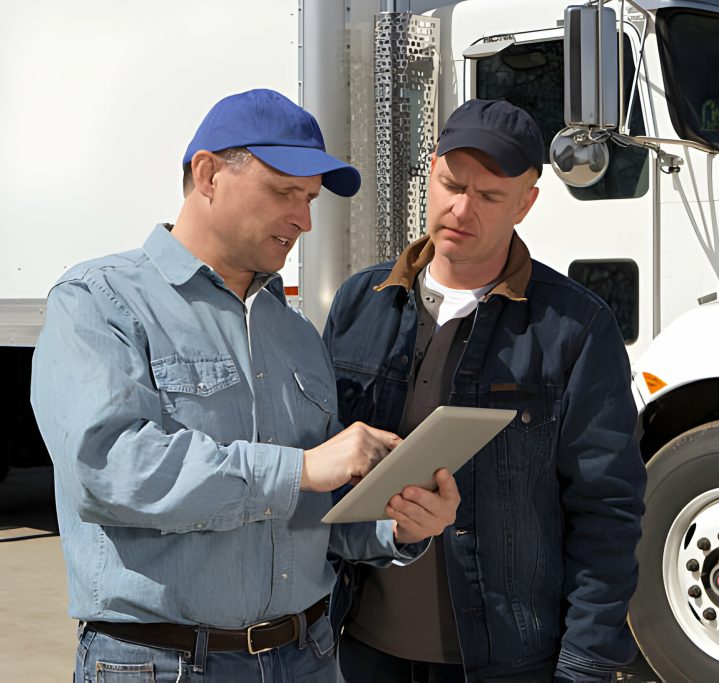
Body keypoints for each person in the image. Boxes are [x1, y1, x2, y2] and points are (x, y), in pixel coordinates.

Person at [30, 88, 460, 682]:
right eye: (285, 192)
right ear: (208, 174)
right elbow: (110, 470)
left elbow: (319, 511)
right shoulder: (99, 302)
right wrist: (302, 468)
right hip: (162, 664)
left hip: (306, 655)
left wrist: (399, 523)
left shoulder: (297, 333)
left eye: (309, 200)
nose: (304, 220)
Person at [323, 99, 647, 682]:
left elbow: (607, 510)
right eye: (451, 183)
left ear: (527, 202)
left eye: (491, 196)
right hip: (357, 651)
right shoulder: (358, 304)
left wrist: (585, 665)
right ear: (430, 174)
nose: (461, 208)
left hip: (503, 662)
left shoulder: (574, 327)